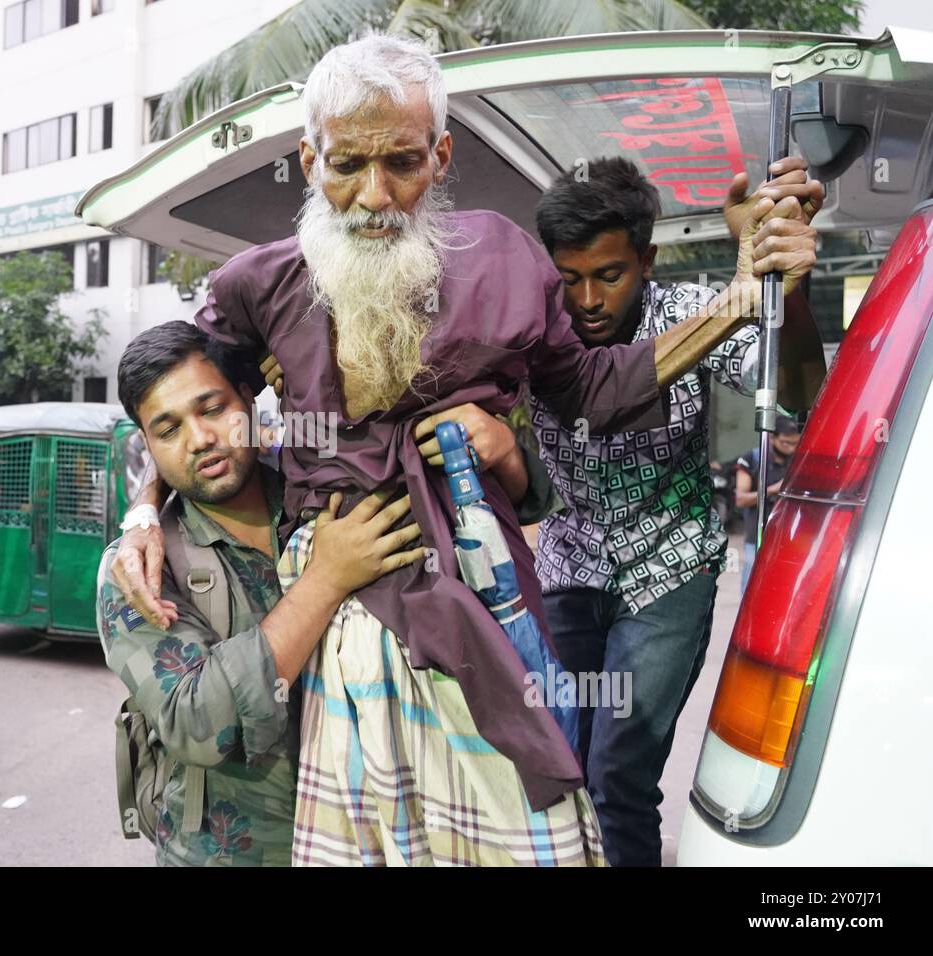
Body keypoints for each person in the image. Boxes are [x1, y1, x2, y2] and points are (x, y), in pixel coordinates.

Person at [112, 34, 816, 865]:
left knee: (543, 820)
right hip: (343, 616)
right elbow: (177, 404)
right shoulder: (259, 284)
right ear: (309, 161)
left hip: (490, 596)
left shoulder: (506, 260)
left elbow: (591, 390)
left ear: (441, 157)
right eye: (347, 166)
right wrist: (139, 508)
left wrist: (743, 297)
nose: (374, 197)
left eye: (402, 163)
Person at [528, 157, 825, 866]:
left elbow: (797, 396)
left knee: (617, 776)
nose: (589, 300)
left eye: (609, 274)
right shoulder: (536, 331)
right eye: (569, 279)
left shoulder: (699, 312)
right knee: (556, 767)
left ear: (646, 259)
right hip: (569, 570)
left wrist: (794, 292)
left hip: (670, 575)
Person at [97, 321, 427, 866]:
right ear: (147, 444)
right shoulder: (139, 570)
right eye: (168, 428)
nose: (199, 439)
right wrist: (326, 579)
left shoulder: (325, 500)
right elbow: (196, 725)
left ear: (250, 399)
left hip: (372, 837)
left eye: (212, 408)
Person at [735, 415, 802, 593]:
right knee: (751, 588)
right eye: (785, 443)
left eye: (795, 443)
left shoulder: (797, 460)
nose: (791, 448)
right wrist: (773, 489)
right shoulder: (753, 459)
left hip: (788, 536)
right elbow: (740, 499)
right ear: (772, 437)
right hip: (757, 534)